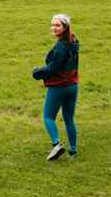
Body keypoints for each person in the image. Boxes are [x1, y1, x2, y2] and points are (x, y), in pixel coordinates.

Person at [32, 13, 79, 160]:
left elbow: (53, 68)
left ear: (65, 27)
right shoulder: (74, 41)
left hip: (59, 87)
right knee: (69, 119)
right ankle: (73, 150)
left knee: (48, 117)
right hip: (72, 85)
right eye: (52, 25)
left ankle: (57, 145)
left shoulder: (60, 47)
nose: (54, 28)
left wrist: (37, 72)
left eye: (57, 25)